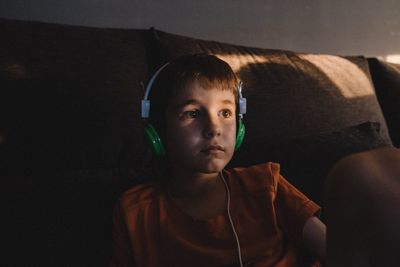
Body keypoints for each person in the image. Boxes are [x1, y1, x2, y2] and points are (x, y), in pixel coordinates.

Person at [110, 54, 326, 267]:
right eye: (193, 114)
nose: (214, 129)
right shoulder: (135, 212)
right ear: (157, 132)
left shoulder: (266, 185)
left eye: (225, 112)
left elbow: (339, 251)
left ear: (240, 128)